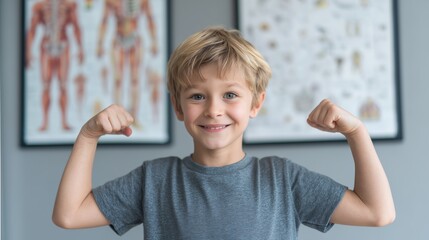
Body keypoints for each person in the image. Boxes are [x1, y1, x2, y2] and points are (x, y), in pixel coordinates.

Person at [52, 27, 395, 239]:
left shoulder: (284, 179)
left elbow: (377, 212)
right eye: (197, 96)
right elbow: (69, 215)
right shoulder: (155, 179)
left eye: (230, 95)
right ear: (178, 107)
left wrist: (357, 132)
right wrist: (87, 136)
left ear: (255, 103)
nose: (214, 109)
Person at [97, 0, 158, 128]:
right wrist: (100, 43)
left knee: (135, 79)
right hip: (118, 40)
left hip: (134, 40)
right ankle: (118, 118)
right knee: (118, 79)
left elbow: (150, 19)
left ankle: (133, 117)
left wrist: (154, 41)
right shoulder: (111, 2)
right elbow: (104, 20)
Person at [26, 0, 84, 131]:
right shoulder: (39, 6)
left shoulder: (70, 5)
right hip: (46, 46)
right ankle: (45, 122)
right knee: (46, 85)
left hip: (63, 45)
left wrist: (80, 48)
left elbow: (76, 26)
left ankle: (64, 121)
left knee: (63, 84)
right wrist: (28, 51)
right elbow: (32, 29)